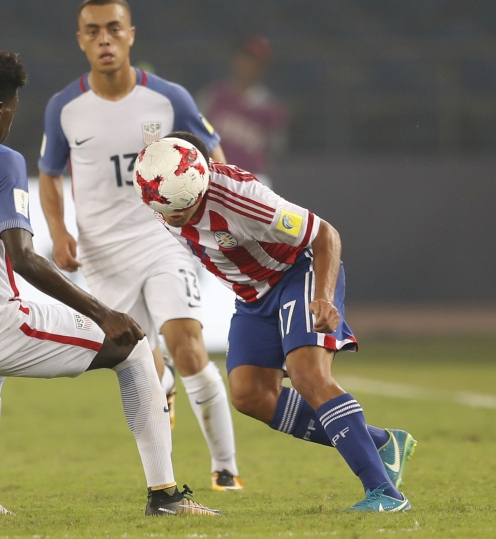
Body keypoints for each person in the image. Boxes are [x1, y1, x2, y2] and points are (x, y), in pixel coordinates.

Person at [0, 48, 219, 517]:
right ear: (0, 109)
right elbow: (22, 257)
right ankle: (164, 497)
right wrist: (103, 313)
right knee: (134, 347)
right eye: (12, 111)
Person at [134, 131, 417, 512]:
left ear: (199, 184)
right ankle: (381, 443)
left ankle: (384, 492)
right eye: (165, 211)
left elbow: (324, 235)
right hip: (252, 296)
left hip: (296, 273)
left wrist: (322, 296)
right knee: (250, 395)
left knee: (308, 375)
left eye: (181, 209)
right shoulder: (160, 189)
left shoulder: (243, 198)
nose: (172, 217)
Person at [38, 0, 243, 491]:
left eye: (114, 28)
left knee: (187, 344)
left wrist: (220, 214)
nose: (105, 39)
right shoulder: (65, 108)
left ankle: (225, 470)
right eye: (93, 31)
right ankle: (164, 397)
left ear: (131, 35)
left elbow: (211, 155)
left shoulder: (169, 99)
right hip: (103, 256)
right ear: (81, 40)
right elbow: (48, 174)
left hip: (164, 239)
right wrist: (60, 231)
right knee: (143, 362)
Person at [198, 35, 287, 179]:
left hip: (253, 179)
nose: (246, 64)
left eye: (253, 61)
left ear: (261, 67)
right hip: (215, 176)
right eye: (244, 58)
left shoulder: (270, 108)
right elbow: (194, 133)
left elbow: (276, 149)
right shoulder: (214, 96)